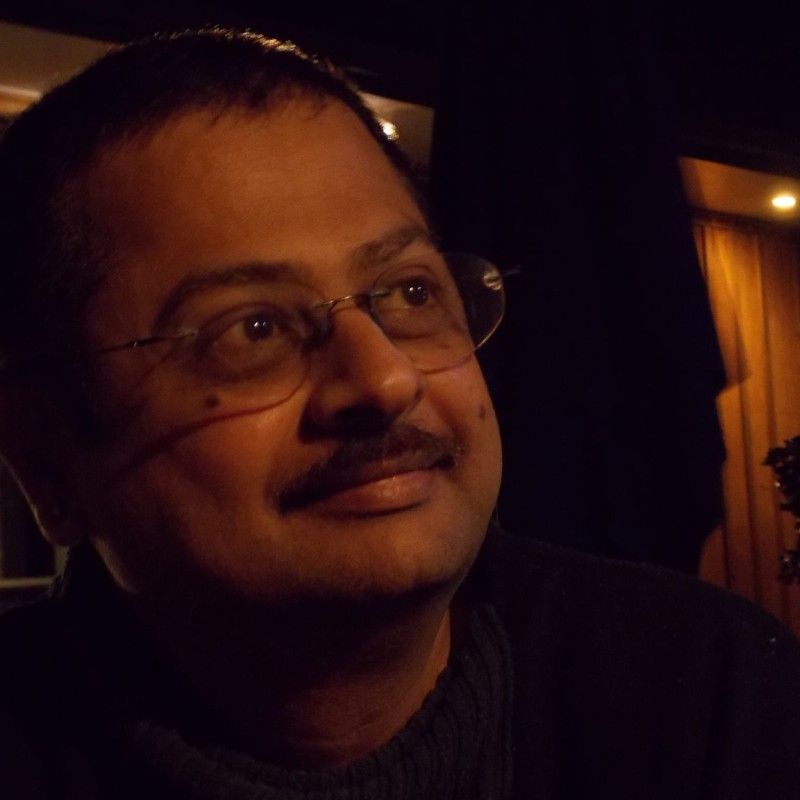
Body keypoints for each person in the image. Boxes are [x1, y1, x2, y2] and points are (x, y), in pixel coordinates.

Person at [0, 27, 797, 799]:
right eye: (252, 330)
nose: (385, 379)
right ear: (45, 460)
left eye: (411, 293)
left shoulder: (710, 696)